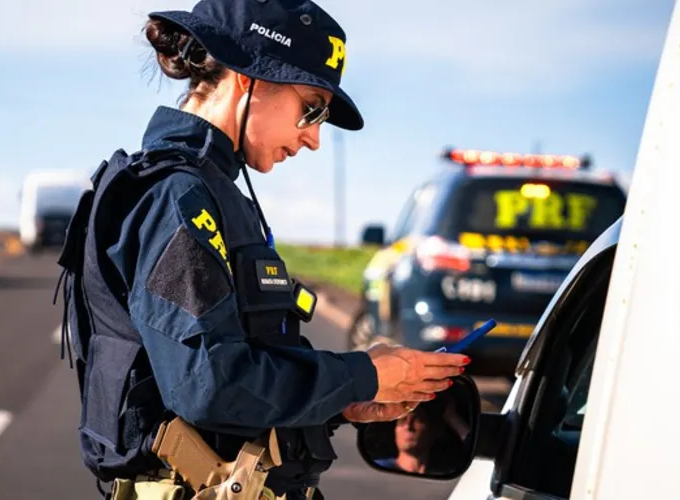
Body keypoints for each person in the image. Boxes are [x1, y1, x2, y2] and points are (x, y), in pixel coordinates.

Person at [53, 0, 471, 498]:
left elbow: (237, 376)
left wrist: (345, 400)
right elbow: (208, 384)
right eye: (311, 108)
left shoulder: (213, 192)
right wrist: (363, 375)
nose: (314, 137)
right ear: (248, 77)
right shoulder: (178, 197)